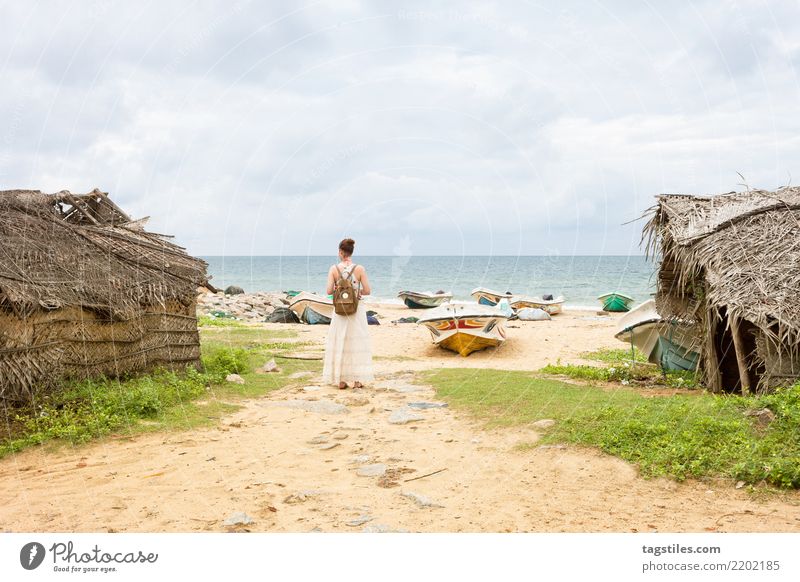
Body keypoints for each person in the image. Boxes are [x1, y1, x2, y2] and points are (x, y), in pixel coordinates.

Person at [322, 238, 374, 389]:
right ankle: (357, 380)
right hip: (356, 310)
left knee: (340, 343)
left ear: (340, 252)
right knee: (357, 342)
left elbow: (329, 291)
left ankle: (341, 380)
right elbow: (368, 291)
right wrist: (356, 292)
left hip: (340, 311)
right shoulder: (360, 269)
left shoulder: (333, 269)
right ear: (351, 252)